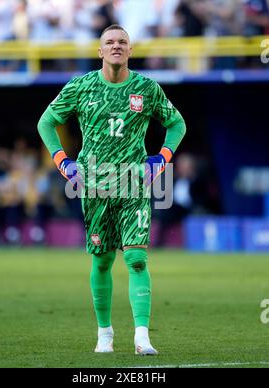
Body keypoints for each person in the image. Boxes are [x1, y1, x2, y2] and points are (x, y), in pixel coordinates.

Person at [37, 24, 186, 355]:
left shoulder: (147, 89)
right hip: (94, 187)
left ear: (130, 51)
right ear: (99, 51)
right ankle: (105, 334)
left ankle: (142, 336)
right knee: (102, 260)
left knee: (135, 257)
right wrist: (63, 161)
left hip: (133, 184)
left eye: (122, 42)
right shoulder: (81, 86)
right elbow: (46, 122)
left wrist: (161, 158)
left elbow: (177, 123)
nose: (116, 46)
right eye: (110, 42)